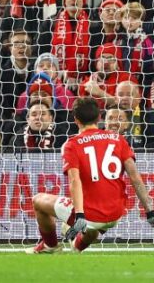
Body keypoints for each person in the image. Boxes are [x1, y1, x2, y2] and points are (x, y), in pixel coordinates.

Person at [26, 97, 154, 254]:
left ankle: (50, 246)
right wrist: (150, 211)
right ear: (100, 117)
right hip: (116, 213)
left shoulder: (71, 144)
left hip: (90, 215)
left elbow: (75, 181)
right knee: (92, 227)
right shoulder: (118, 139)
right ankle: (77, 246)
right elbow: (135, 178)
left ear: (76, 120)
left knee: (37, 200)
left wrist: (79, 215)